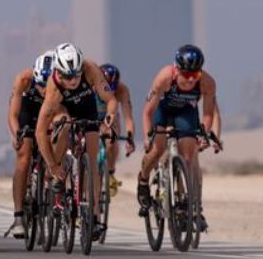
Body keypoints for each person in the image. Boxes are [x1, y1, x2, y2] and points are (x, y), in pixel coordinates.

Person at [34, 43, 117, 242]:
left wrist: (110, 116)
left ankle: (94, 216)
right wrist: (52, 166)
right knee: (63, 124)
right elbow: (39, 132)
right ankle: (59, 175)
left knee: (92, 161)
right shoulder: (54, 89)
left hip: (87, 108)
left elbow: (111, 100)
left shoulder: (90, 69)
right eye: (67, 77)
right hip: (63, 109)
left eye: (76, 76)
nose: (72, 81)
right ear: (58, 72)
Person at [135, 45, 221, 232]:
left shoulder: (207, 82)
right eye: (186, 74)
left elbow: (208, 114)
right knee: (157, 150)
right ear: (176, 69)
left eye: (195, 75)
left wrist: (204, 133)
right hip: (162, 110)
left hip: (185, 112)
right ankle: (143, 180)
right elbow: (147, 112)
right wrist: (148, 136)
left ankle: (182, 204)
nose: (190, 80)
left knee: (188, 157)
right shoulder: (165, 77)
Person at [5, 51, 53, 238]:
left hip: (49, 113)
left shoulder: (62, 83)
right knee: (24, 155)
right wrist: (17, 134)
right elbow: (13, 115)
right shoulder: (23, 80)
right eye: (40, 85)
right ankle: (18, 216)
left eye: (47, 86)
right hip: (28, 111)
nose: (44, 90)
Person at [96, 63, 136, 196]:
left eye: (113, 88)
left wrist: (130, 137)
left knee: (112, 140)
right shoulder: (91, 85)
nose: (111, 92)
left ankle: (110, 172)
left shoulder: (122, 90)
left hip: (110, 117)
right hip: (92, 115)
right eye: (108, 88)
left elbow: (128, 117)